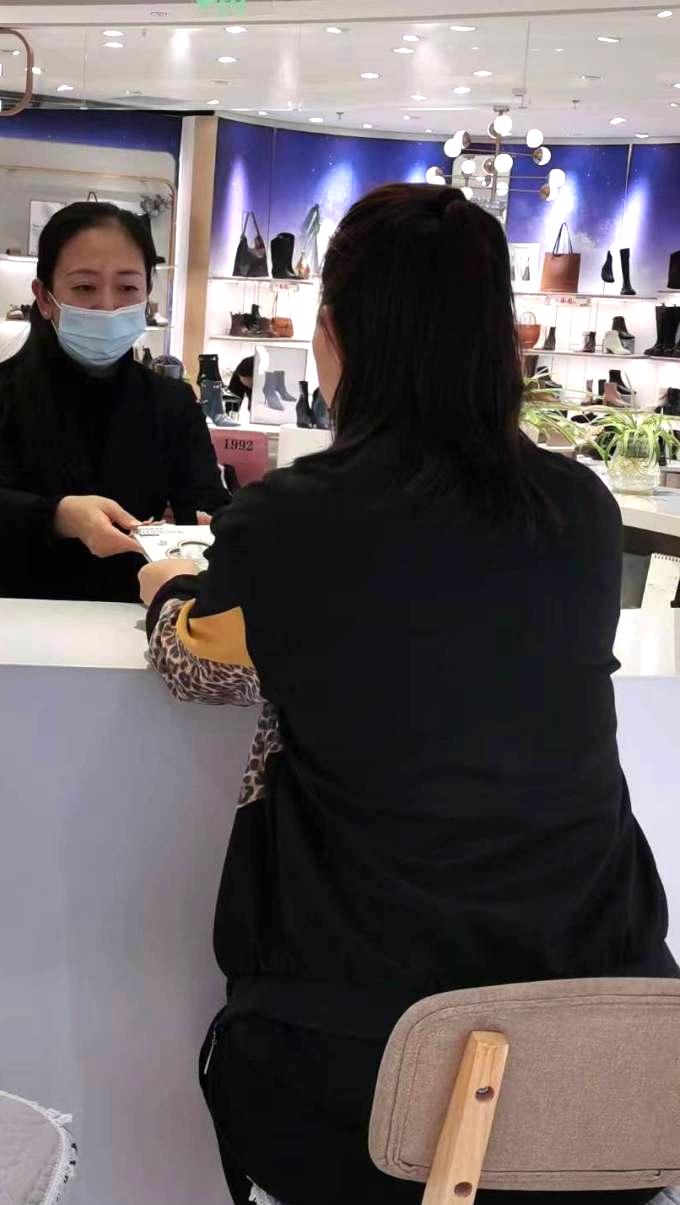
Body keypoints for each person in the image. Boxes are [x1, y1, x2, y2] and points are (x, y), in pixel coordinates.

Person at [139, 184, 671, 1205]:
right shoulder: (581, 510)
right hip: (608, 1062)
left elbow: (200, 661)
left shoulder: (296, 519)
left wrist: (161, 587)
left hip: (356, 1071)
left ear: (335, 336)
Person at [0, 200, 228, 601]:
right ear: (45, 297)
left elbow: (208, 502)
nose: (107, 305)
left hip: (132, 614)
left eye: (127, 288)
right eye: (85, 287)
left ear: (147, 295)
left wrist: (215, 525)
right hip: (16, 610)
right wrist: (62, 515)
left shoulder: (172, 401)